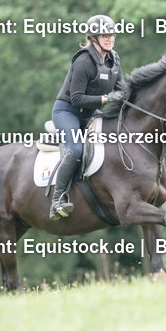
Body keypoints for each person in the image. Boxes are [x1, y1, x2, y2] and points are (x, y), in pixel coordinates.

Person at [50, 14, 125, 219]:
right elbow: (76, 98)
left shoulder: (113, 59)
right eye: (105, 35)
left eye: (112, 35)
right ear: (93, 38)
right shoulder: (84, 61)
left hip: (91, 114)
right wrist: (106, 98)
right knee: (76, 148)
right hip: (67, 111)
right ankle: (57, 199)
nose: (110, 39)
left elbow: (123, 90)